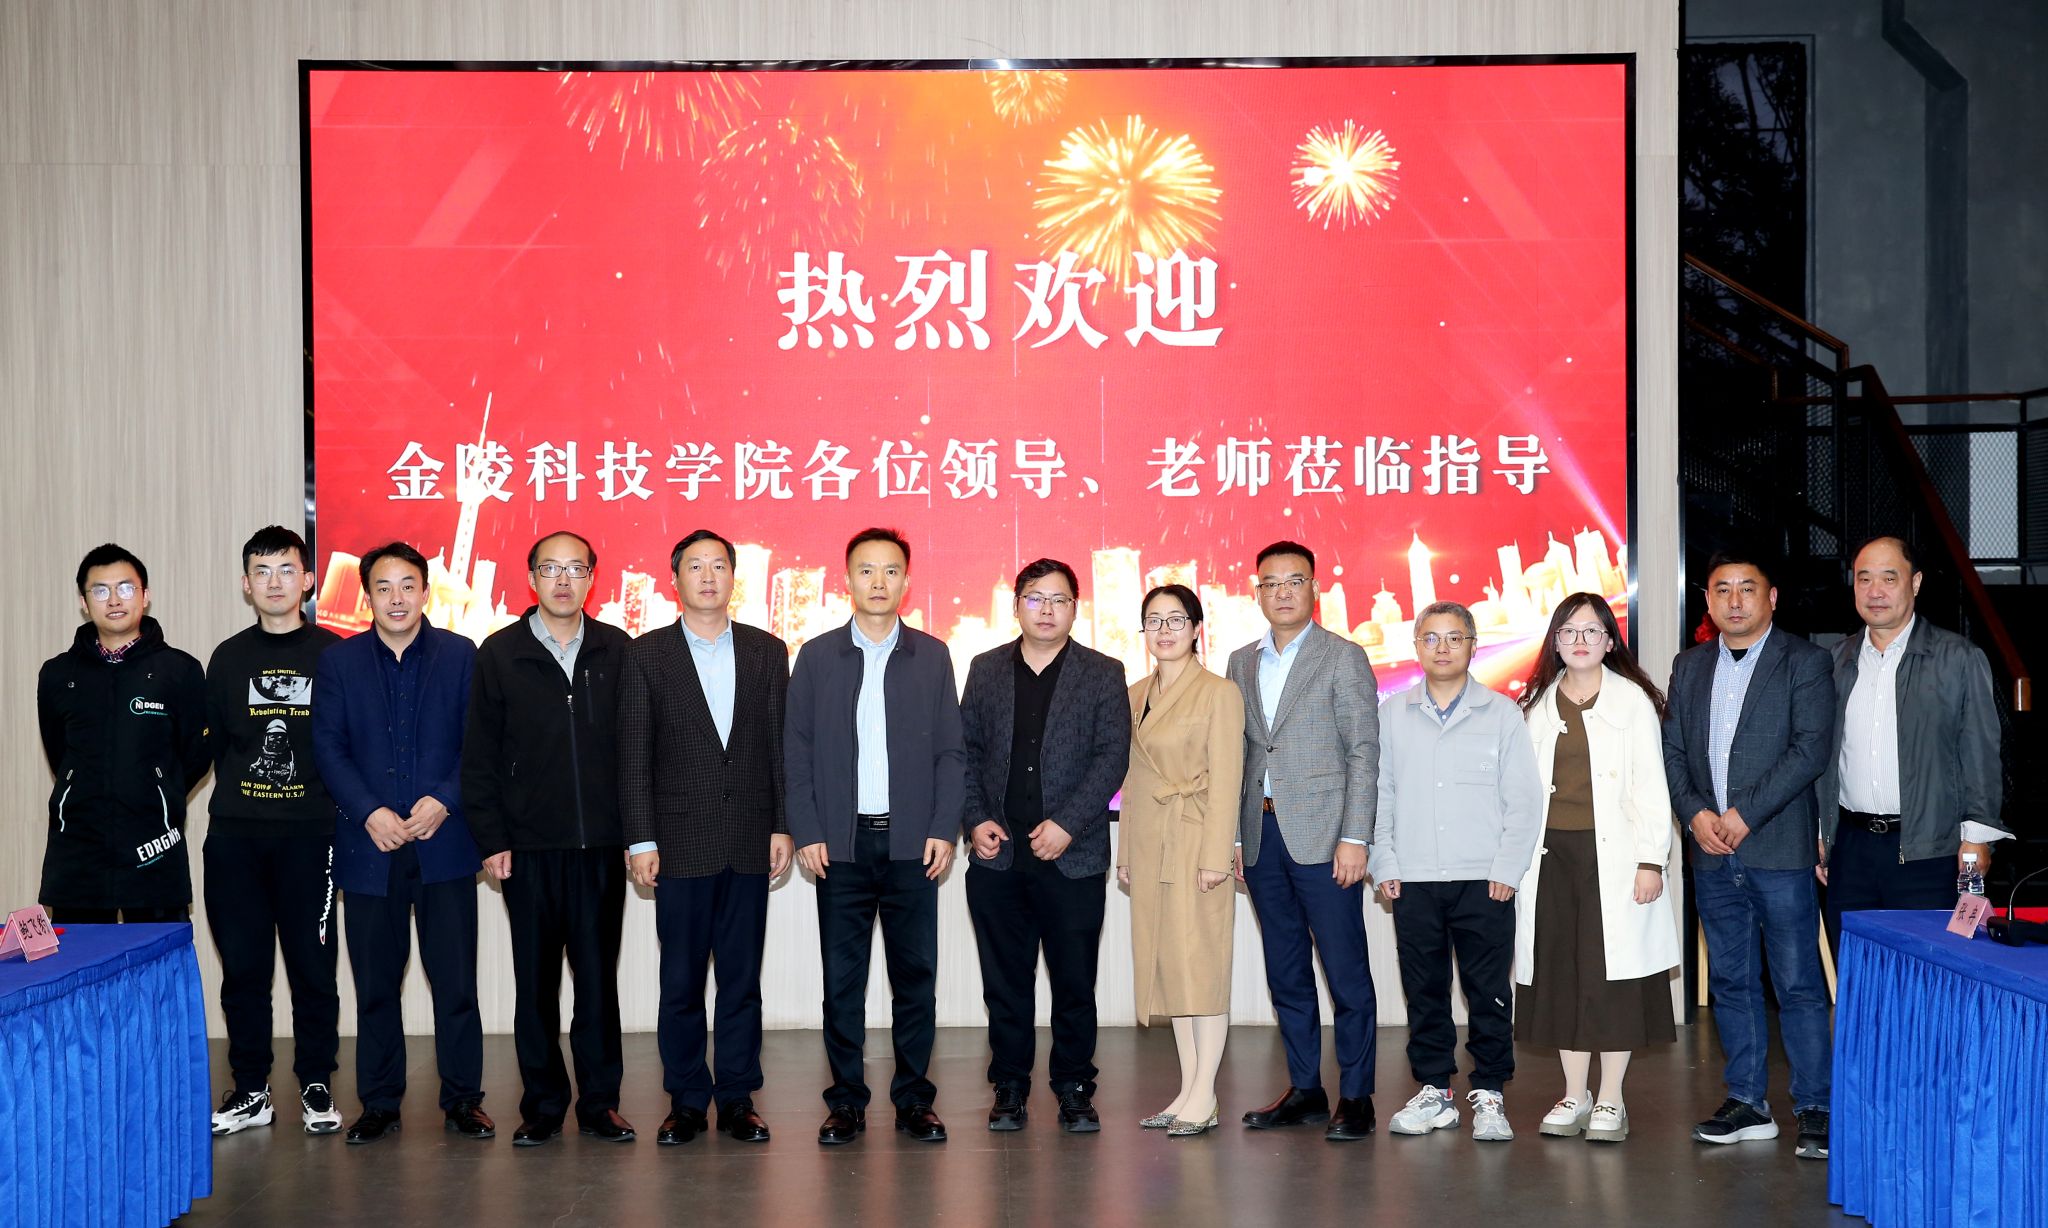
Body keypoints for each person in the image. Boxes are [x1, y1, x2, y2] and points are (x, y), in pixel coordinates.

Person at [785, 527, 966, 1145]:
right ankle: (845, 1102)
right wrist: (807, 829)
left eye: (891, 571)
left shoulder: (932, 656)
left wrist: (943, 827)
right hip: (841, 847)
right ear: (848, 580)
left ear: (906, 582)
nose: (879, 582)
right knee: (843, 982)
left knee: (915, 980)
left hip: (913, 846)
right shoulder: (816, 657)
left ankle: (915, 1100)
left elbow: (951, 752)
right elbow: (796, 751)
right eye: (866, 570)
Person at [312, 541, 488, 1145]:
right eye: (383, 587)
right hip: (371, 850)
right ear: (367, 596)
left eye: (407, 585)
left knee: (456, 984)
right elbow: (328, 747)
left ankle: (463, 1100)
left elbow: (478, 742)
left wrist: (446, 798)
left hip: (446, 844)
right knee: (376, 987)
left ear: (426, 593)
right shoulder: (339, 662)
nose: (396, 598)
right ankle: (380, 1102)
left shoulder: (461, 655)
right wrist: (369, 812)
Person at [619, 530, 791, 1147]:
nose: (709, 576)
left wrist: (783, 823)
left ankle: (738, 1097)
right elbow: (633, 755)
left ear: (733, 577)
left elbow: (779, 747)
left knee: (741, 982)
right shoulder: (647, 655)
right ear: (676, 579)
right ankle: (687, 1100)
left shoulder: (768, 652)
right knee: (681, 983)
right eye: (696, 566)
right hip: (679, 844)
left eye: (719, 565)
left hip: (749, 839)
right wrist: (641, 840)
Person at [1661, 549, 1835, 1160]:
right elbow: (1672, 751)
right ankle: (1747, 1102)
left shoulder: (1805, 661)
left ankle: (1815, 1107)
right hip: (1710, 851)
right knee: (1732, 981)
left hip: (1778, 847)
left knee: (1798, 983)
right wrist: (1695, 814)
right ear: (1707, 601)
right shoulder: (1688, 666)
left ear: (1771, 597)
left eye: (1747, 588)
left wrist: (1743, 814)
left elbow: (1810, 750)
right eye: (1722, 590)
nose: (1734, 601)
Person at [462, 531, 634, 1147]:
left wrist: (637, 836)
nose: (563, 580)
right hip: (527, 850)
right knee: (534, 984)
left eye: (575, 569)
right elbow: (479, 756)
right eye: (550, 569)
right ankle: (541, 1105)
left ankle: (600, 1103)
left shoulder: (618, 650)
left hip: (599, 848)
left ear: (592, 578)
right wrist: (491, 838)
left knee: (597, 982)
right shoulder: (500, 653)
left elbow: (636, 752)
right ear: (531, 578)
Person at [960, 558, 1130, 1134]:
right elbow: (965, 753)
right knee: (1005, 983)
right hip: (999, 854)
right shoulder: (985, 669)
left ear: (1076, 609)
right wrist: (975, 819)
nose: (1047, 609)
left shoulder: (1102, 672)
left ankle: (1075, 1087)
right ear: (1016, 606)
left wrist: (1068, 824)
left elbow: (1112, 757)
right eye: (1035, 598)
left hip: (1072, 857)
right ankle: (1009, 1086)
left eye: (1059, 599)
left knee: (1074, 983)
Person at [1226, 540, 1381, 1142]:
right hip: (1262, 835)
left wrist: (1355, 836)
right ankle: (1306, 1090)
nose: (1283, 592)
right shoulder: (1240, 661)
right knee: (1286, 970)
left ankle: (1358, 1096)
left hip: (1326, 837)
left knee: (1345, 973)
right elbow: (1241, 753)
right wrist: (1237, 838)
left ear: (1314, 589)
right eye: (1271, 583)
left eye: (1295, 581)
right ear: (1257, 592)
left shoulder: (1343, 656)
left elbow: (1363, 752)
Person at [1511, 593, 1680, 1146]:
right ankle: (1573, 1093)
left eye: (1592, 630)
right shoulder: (1533, 703)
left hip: (1616, 857)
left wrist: (1652, 860)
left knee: (1612, 981)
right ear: (1555, 641)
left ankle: (1610, 1097)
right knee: (1559, 976)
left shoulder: (1632, 702)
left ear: (1609, 640)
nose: (1580, 640)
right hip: (1549, 860)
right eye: (1569, 630)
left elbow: (1652, 786)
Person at [1373, 601, 1543, 1143]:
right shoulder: (1391, 714)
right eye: (1431, 638)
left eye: (1454, 637)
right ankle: (1435, 1091)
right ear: (1416, 646)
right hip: (1414, 877)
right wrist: (1385, 860)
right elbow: (1380, 793)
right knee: (1424, 991)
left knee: (1488, 991)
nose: (1442, 647)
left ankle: (1490, 1092)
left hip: (1484, 879)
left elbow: (1524, 800)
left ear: (1472, 645)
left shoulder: (1501, 713)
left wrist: (1507, 868)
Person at [203, 526, 344, 1137]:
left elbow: (347, 745)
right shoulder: (227, 658)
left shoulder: (335, 655)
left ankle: (315, 1083)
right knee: (244, 969)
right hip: (235, 838)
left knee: (313, 966)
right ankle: (251, 1090)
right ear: (246, 584)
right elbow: (213, 744)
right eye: (262, 572)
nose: (275, 582)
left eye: (287, 570)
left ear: (307, 580)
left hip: (311, 836)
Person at [1818, 535, 2007, 952]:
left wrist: (1977, 838)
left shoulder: (1958, 657)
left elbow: (1980, 755)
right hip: (1851, 850)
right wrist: (1822, 832)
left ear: (1915, 583)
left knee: (1927, 972)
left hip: (1930, 852)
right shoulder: (1834, 661)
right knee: (1857, 971)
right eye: (1864, 579)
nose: (1875, 591)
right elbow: (1824, 757)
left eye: (1889, 578)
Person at [1119, 584, 1244, 1137]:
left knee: (1202, 966)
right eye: (1154, 620)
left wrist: (1217, 855)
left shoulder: (1219, 693)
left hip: (1196, 842)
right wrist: (1126, 850)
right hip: (1150, 842)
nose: (1164, 629)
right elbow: (1131, 781)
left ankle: (1205, 1093)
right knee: (1170, 968)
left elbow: (1229, 778)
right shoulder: (1134, 693)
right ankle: (1189, 1088)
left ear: (1197, 628)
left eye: (1176, 619)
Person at [38, 543, 209, 923]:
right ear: (84, 602)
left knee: (157, 956)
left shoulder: (179, 670)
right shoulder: (58, 674)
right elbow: (59, 753)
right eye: (100, 590)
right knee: (80, 957)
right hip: (78, 851)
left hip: (154, 845)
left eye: (126, 588)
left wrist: (158, 785)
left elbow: (195, 754)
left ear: (145, 596)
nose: (114, 600)